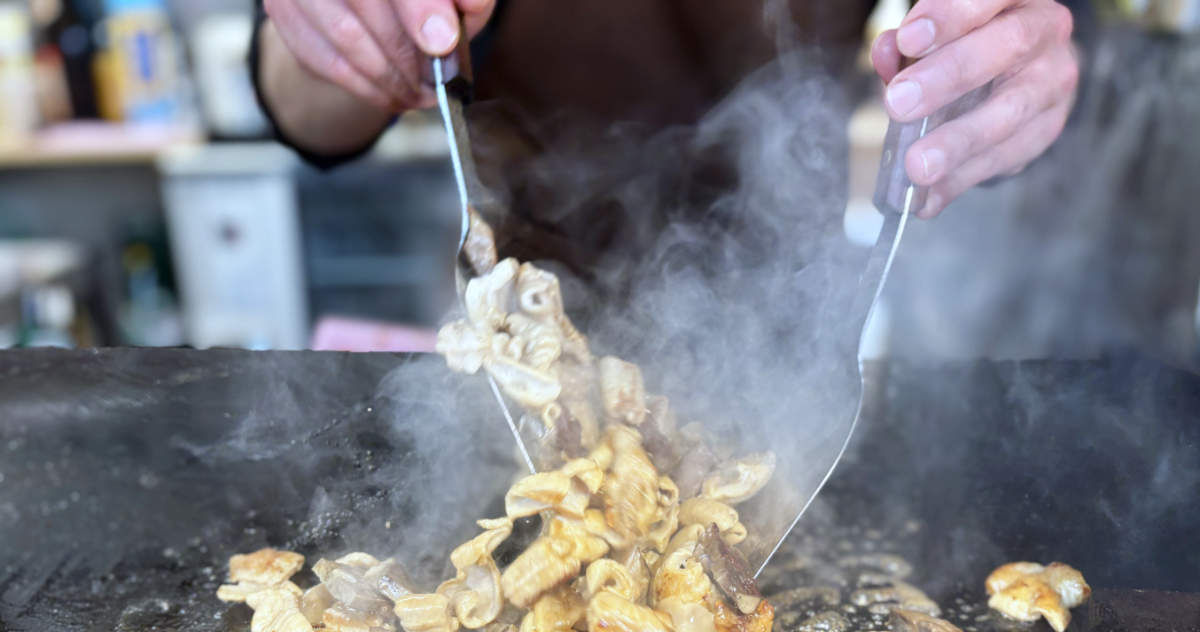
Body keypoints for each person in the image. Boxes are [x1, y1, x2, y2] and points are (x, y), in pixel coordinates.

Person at [250, 0, 1079, 277]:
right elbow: (303, 113)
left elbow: (1020, 40)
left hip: (790, 331)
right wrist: (338, 39)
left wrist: (1006, 73)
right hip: (534, 328)